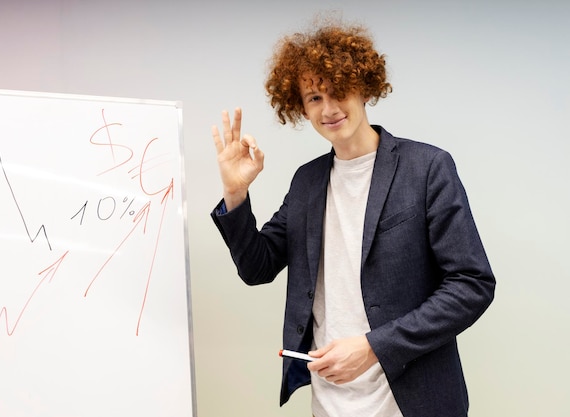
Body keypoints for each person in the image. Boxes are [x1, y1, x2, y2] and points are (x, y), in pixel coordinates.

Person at [210, 19, 495, 417]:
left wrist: (375, 346)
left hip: (413, 403)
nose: (328, 109)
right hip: (329, 404)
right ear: (300, 107)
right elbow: (257, 267)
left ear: (363, 85)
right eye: (312, 97)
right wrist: (235, 192)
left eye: (337, 90)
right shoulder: (307, 182)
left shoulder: (426, 168)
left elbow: (472, 285)